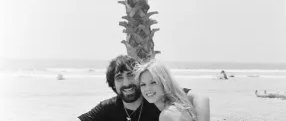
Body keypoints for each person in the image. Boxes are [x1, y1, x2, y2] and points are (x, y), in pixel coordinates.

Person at [77, 55, 210, 121]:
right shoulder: (108, 107)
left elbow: (201, 98)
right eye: (119, 78)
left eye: (130, 76)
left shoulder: (156, 99)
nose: (126, 83)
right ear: (113, 84)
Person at [135, 59, 210, 121]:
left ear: (164, 82)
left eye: (153, 82)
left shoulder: (167, 115)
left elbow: (202, 98)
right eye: (143, 84)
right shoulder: (177, 106)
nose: (147, 89)